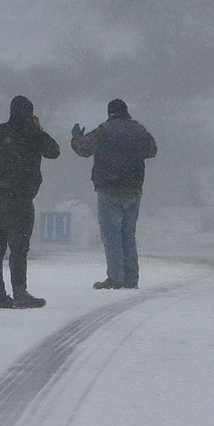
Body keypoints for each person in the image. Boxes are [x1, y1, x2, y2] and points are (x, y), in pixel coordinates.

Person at [0, 95, 60, 309]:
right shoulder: (33, 134)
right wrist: (38, 130)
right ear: (29, 114)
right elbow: (54, 151)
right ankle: (20, 293)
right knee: (18, 250)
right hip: (20, 201)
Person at [71, 99, 157, 289]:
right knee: (128, 234)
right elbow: (152, 150)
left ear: (109, 113)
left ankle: (115, 278)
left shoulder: (105, 130)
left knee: (111, 236)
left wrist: (76, 137)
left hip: (109, 190)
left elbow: (84, 149)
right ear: (127, 111)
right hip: (134, 190)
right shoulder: (139, 130)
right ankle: (131, 278)